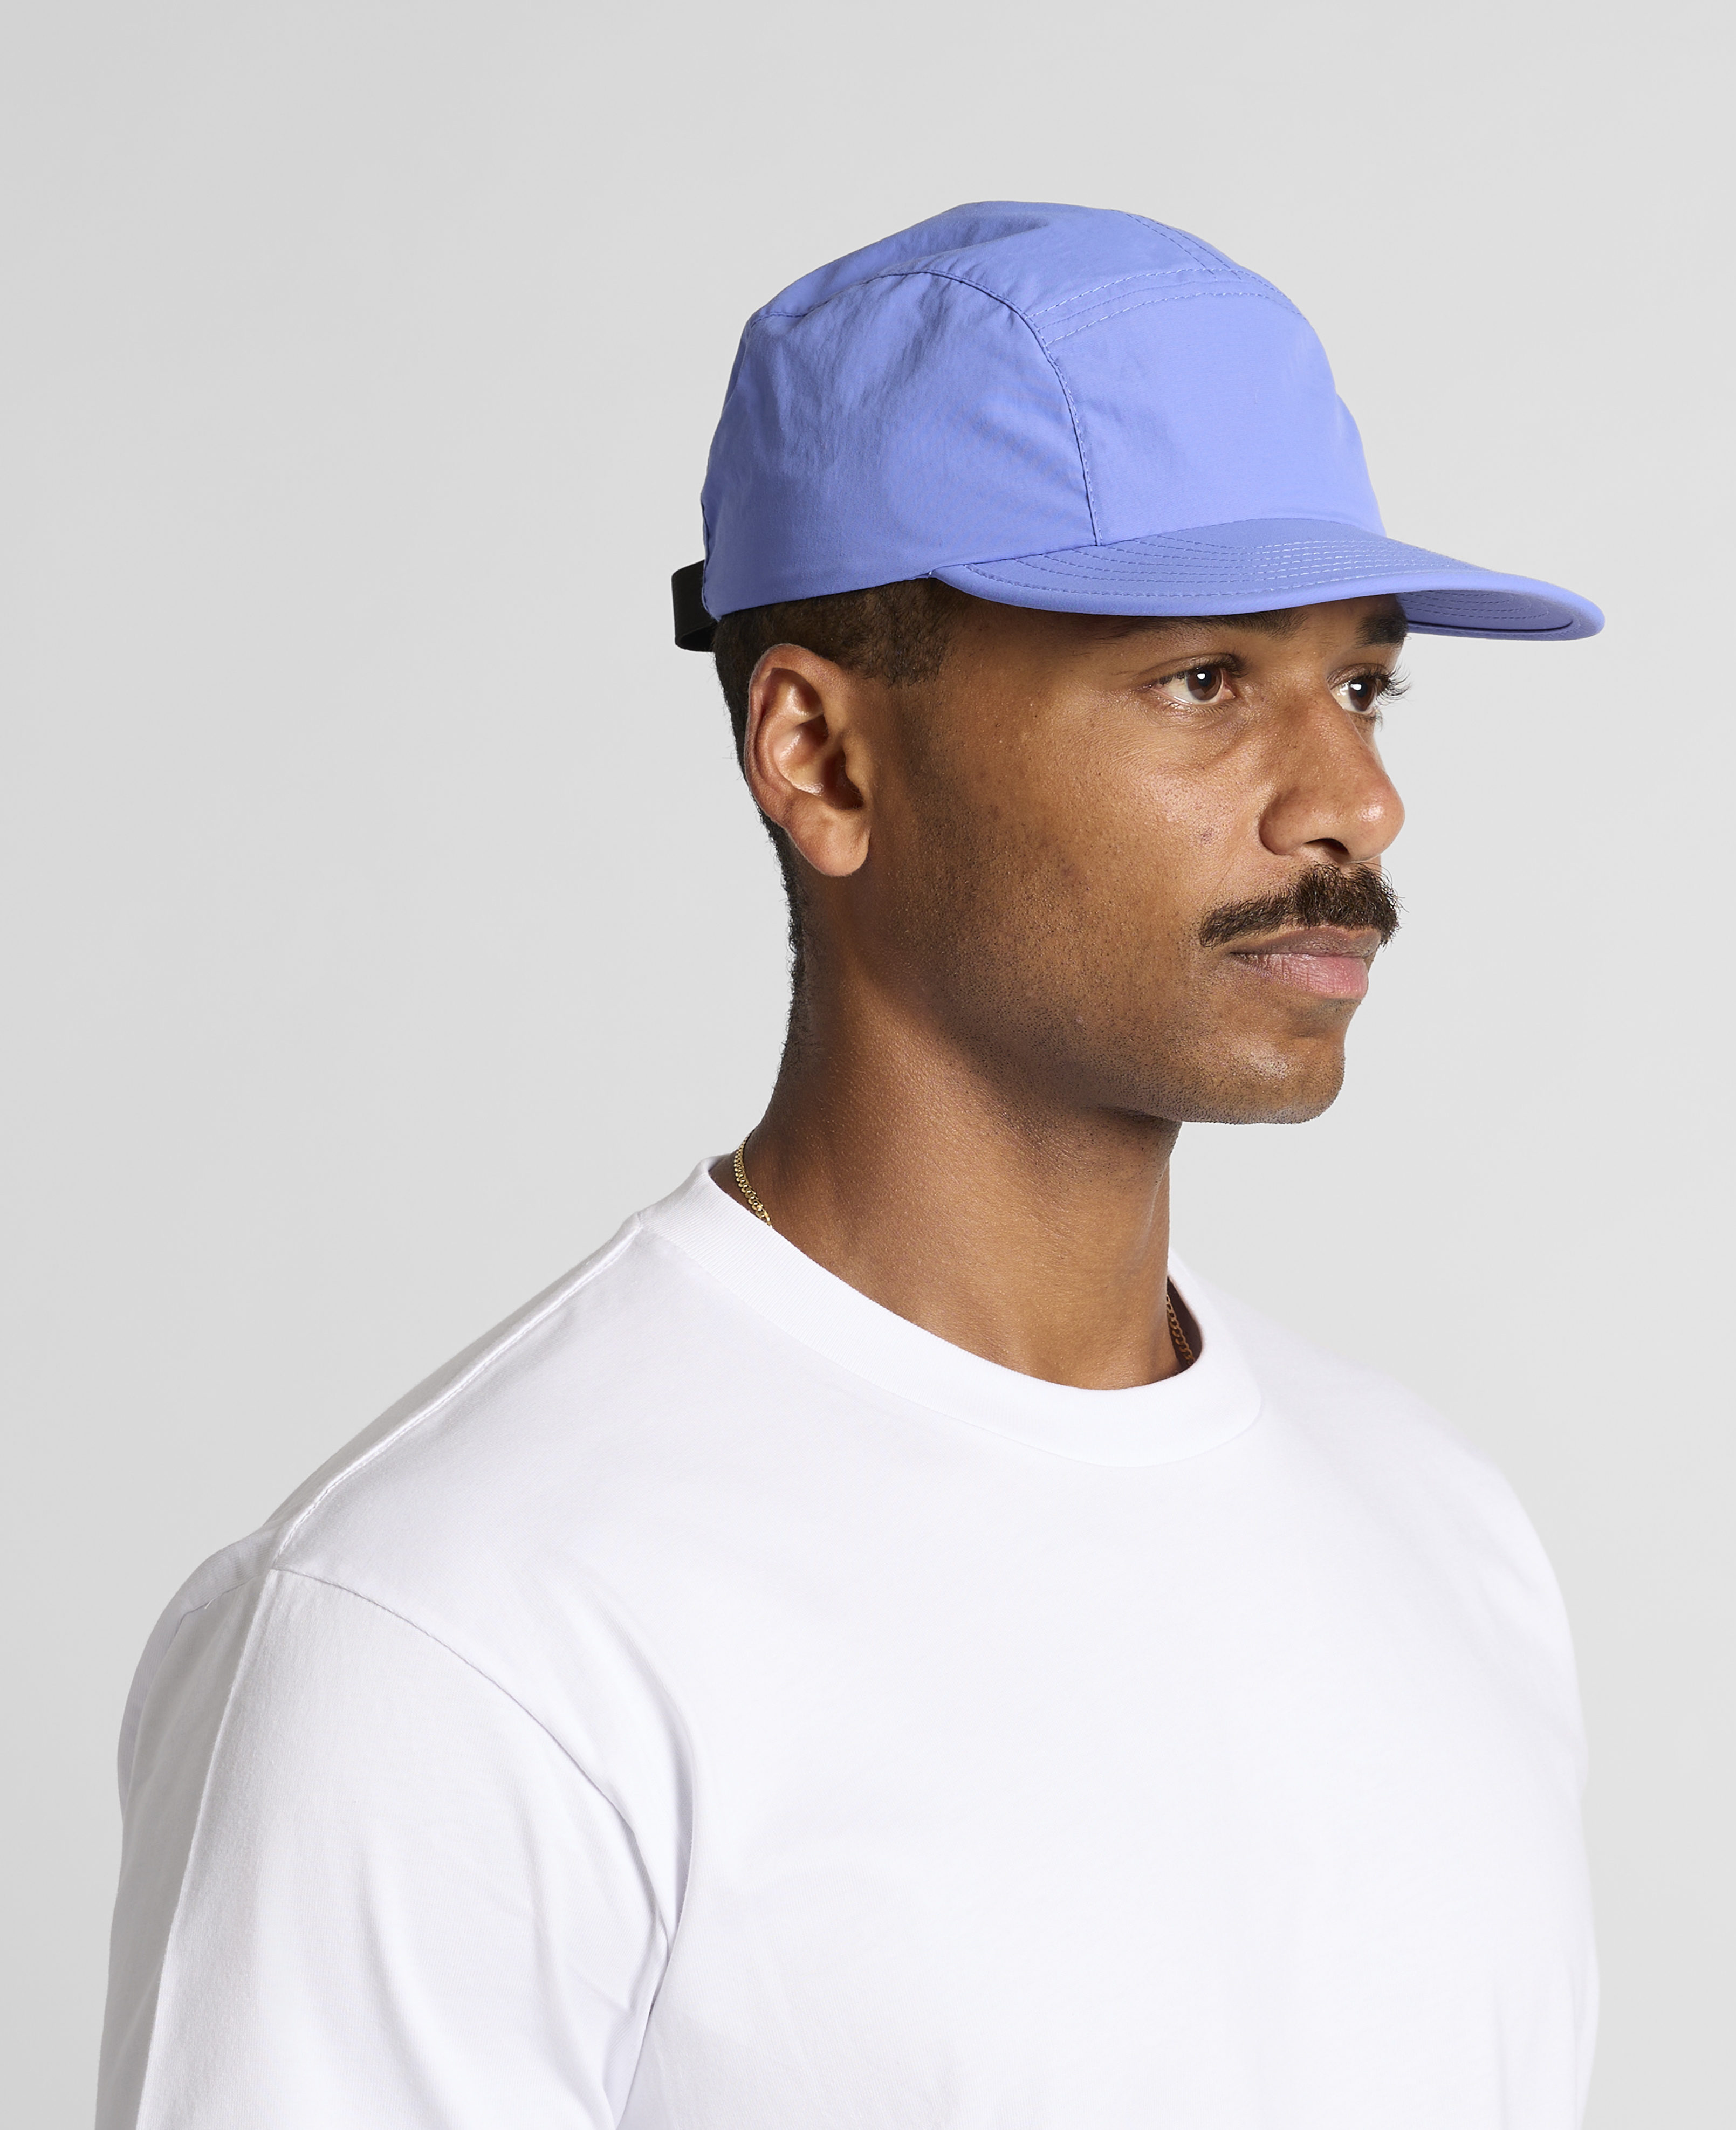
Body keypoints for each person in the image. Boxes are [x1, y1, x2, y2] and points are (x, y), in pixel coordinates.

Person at [98, 202, 1605, 2129]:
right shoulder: (454, 1635)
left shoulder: (1440, 1531)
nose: (1357, 802)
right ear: (818, 756)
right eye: (1206, 680)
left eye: (1364, 685)